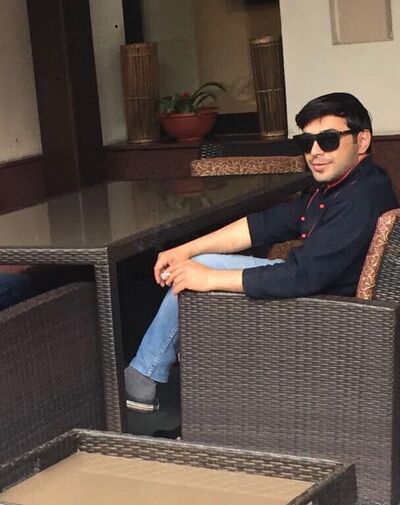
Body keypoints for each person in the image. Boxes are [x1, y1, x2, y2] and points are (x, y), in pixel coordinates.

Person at [125, 92, 398, 413]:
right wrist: (185, 250)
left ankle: (148, 377)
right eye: (306, 142)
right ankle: (159, 382)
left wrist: (210, 277)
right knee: (196, 266)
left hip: (325, 317)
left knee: (198, 277)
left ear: (361, 140)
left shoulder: (359, 198)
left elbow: (300, 276)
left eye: (328, 140)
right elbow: (266, 225)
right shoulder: (346, 185)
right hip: (316, 293)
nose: (315, 152)